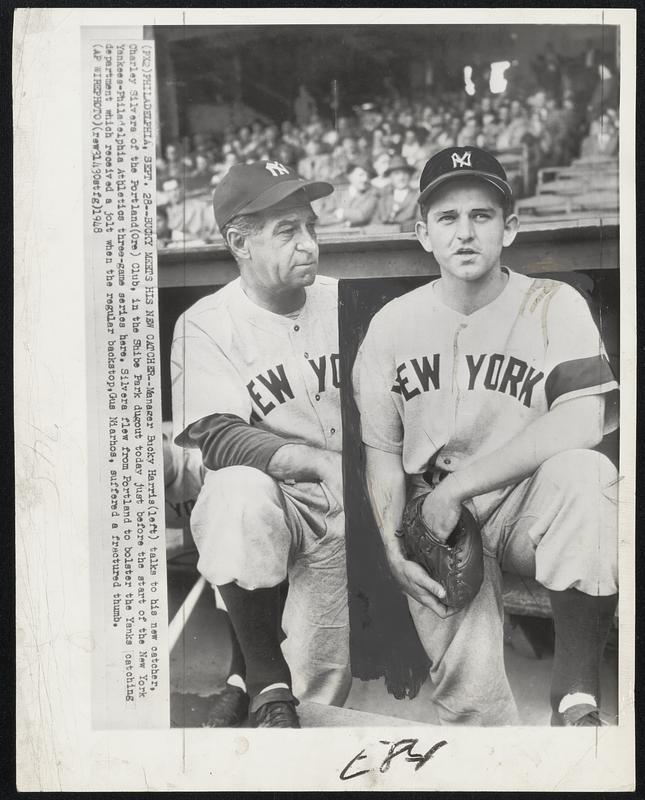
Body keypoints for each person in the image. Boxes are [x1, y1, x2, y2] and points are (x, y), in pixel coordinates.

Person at [353, 146, 618, 727]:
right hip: (437, 517)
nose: (465, 233)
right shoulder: (391, 325)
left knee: (589, 474)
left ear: (510, 227)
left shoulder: (554, 304)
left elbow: (583, 422)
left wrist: (459, 488)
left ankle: (575, 700)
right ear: (423, 233)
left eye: (482, 215)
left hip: (527, 503)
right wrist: (394, 549)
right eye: (447, 218)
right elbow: (382, 455)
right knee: (477, 716)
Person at [171, 160, 351, 728]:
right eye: (287, 231)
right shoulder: (205, 323)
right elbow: (219, 436)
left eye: (310, 227)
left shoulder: (347, 300)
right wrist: (318, 463)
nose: (309, 245)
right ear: (239, 242)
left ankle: (247, 677)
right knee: (236, 495)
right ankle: (264, 681)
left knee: (319, 693)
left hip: (355, 502)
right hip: (280, 497)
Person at [316, 163, 379, 228]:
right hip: (334, 233)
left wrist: (342, 212)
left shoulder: (372, 194)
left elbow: (362, 216)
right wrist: (345, 223)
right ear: (350, 176)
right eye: (361, 175)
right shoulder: (337, 194)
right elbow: (323, 218)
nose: (365, 179)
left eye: (367, 176)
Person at [373, 155, 418, 229]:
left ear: (410, 176)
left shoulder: (416, 197)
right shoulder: (384, 197)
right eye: (397, 173)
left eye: (405, 173)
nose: (401, 177)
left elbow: (419, 221)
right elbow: (375, 220)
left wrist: (397, 228)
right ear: (390, 177)